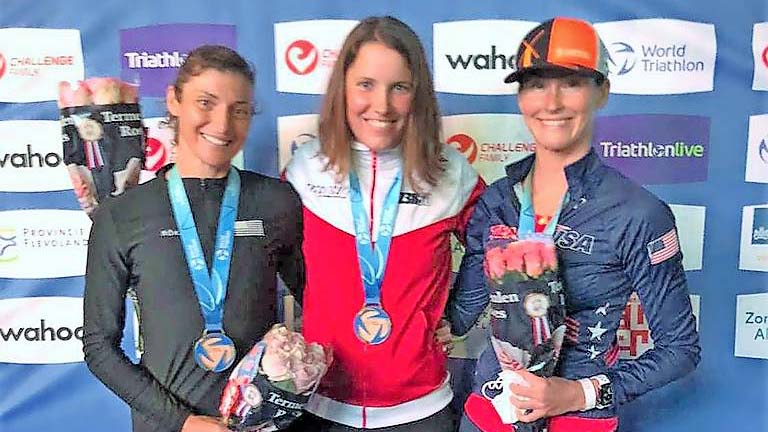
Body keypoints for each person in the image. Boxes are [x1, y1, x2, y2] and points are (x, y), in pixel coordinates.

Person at [453, 17, 701, 432]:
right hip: (488, 415)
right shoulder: (496, 201)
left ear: (601, 91)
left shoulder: (639, 213)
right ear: (521, 96)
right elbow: (460, 313)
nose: (551, 102)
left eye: (570, 83)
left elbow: (680, 350)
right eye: (536, 84)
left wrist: (578, 393)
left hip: (576, 421)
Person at [82, 45, 305, 432]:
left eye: (239, 110)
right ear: (174, 100)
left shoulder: (276, 201)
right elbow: (99, 347)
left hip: (260, 425)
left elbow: (321, 304)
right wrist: (184, 422)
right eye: (206, 102)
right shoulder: (121, 214)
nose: (222, 124)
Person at [283, 16, 486, 431]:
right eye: (366, 84)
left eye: (399, 87)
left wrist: (459, 315)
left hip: (421, 411)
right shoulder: (304, 169)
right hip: (320, 408)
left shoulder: (450, 173)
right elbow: (275, 255)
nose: (382, 105)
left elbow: (496, 248)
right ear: (343, 89)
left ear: (418, 95)